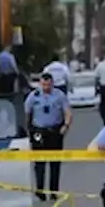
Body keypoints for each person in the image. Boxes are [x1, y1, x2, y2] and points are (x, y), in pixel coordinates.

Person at [25, 72, 72, 200]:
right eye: (44, 84)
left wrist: (66, 126)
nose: (46, 87)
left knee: (55, 163)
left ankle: (53, 191)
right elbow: (28, 113)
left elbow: (67, 112)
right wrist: (29, 130)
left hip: (55, 131)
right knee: (39, 163)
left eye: (48, 85)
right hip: (39, 131)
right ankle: (40, 190)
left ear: (52, 84)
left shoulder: (59, 95)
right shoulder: (33, 96)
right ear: (40, 84)